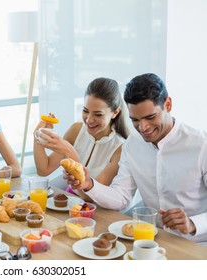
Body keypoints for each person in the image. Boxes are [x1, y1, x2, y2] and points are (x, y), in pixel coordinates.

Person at [68, 73, 207, 245]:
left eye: (150, 117)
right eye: (135, 120)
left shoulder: (201, 145)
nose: (143, 128)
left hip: (196, 245)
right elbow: (121, 197)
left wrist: (193, 224)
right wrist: (89, 185)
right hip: (151, 239)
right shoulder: (133, 144)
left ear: (168, 105)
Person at [33, 77, 129, 199]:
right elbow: (44, 170)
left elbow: (89, 198)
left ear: (115, 112)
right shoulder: (76, 130)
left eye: (98, 114)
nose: (89, 119)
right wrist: (38, 136)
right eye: (85, 110)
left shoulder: (120, 149)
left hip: (96, 211)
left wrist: (70, 151)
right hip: (70, 202)